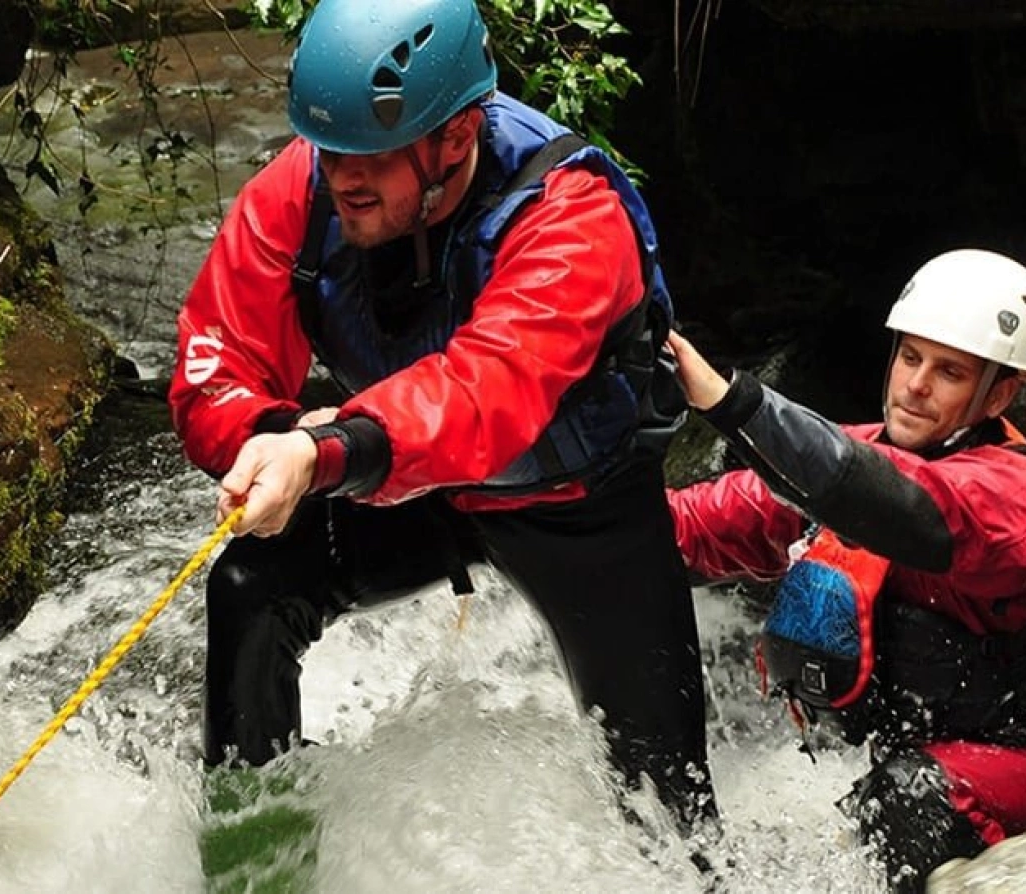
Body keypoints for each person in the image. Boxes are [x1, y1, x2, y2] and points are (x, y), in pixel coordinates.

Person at [168, 0, 717, 842]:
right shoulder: (306, 185)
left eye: (374, 154)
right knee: (252, 585)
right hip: (401, 483)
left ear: (455, 138)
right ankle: (258, 861)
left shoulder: (569, 216)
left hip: (580, 505)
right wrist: (273, 435)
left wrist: (325, 452)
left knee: (669, 808)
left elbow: (484, 392)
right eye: (333, 148)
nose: (343, 176)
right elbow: (217, 353)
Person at [666, 249, 1026, 892]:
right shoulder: (848, 460)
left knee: (909, 800)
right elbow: (691, 526)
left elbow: (900, 505)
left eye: (949, 372)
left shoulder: (1019, 498)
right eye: (910, 358)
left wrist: (731, 402)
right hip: (896, 762)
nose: (915, 385)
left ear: (999, 392)